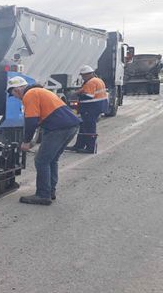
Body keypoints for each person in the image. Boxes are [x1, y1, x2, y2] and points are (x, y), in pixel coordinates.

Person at [7, 76, 81, 205]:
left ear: (17, 89)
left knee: (41, 161)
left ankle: (43, 194)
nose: (14, 97)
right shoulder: (39, 91)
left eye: (12, 94)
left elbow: (31, 121)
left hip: (58, 128)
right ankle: (50, 191)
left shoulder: (29, 95)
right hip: (70, 126)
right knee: (52, 160)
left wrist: (26, 141)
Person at [68, 65, 108, 153]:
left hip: (91, 108)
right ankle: (79, 145)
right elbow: (89, 90)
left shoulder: (91, 82)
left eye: (83, 75)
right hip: (96, 106)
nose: (82, 77)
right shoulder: (97, 80)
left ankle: (90, 148)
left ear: (87, 74)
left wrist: (78, 94)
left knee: (89, 127)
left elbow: (89, 96)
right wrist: (81, 90)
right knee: (83, 126)